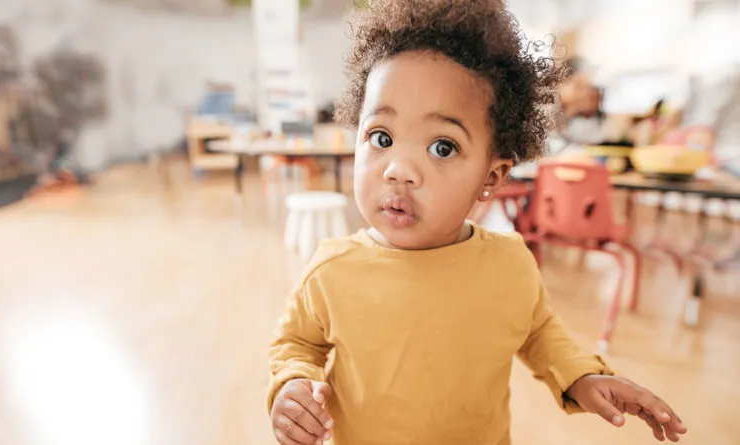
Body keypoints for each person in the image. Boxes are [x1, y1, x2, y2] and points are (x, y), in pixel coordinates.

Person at [266, 1, 688, 444]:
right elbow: (297, 345)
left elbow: (538, 330)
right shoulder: (332, 270)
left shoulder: (508, 263)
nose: (399, 170)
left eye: (442, 147)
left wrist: (580, 376)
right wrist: (292, 385)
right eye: (382, 138)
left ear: (492, 176)